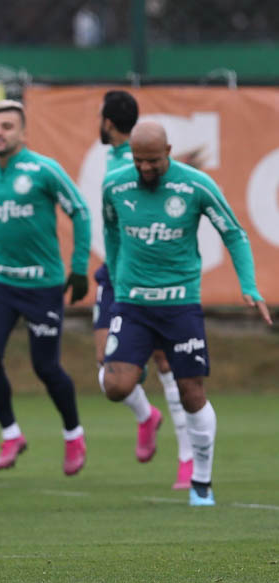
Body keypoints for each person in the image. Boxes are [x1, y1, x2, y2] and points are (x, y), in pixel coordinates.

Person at [99, 121, 269, 506]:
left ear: (169, 151)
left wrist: (249, 286)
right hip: (133, 303)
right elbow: (111, 232)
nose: (145, 169)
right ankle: (147, 409)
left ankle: (201, 481)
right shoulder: (115, 185)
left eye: (153, 161)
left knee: (192, 393)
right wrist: (116, 278)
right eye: (138, 161)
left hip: (180, 306)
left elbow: (234, 233)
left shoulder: (195, 185)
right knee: (115, 386)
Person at [0, 99, 90, 474]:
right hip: (0, 284)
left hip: (43, 285)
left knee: (46, 367)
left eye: (7, 126)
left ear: (23, 132)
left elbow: (81, 211)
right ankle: (11, 434)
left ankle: (73, 434)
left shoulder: (43, 170)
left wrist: (81, 266)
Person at [93, 91, 194, 484]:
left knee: (169, 365)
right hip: (114, 274)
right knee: (107, 369)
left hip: (152, 279)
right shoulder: (114, 160)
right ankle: (146, 415)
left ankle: (187, 458)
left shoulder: (139, 167)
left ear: (107, 122)